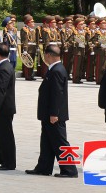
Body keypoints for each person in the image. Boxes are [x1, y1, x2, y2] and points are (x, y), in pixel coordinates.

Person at [26, 45, 78, 178]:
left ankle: (70, 170)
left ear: (49, 55)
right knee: (47, 141)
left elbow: (57, 94)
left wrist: (54, 113)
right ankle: (43, 167)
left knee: (60, 142)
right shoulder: (55, 69)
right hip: (48, 113)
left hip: (54, 115)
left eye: (45, 55)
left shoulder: (57, 71)